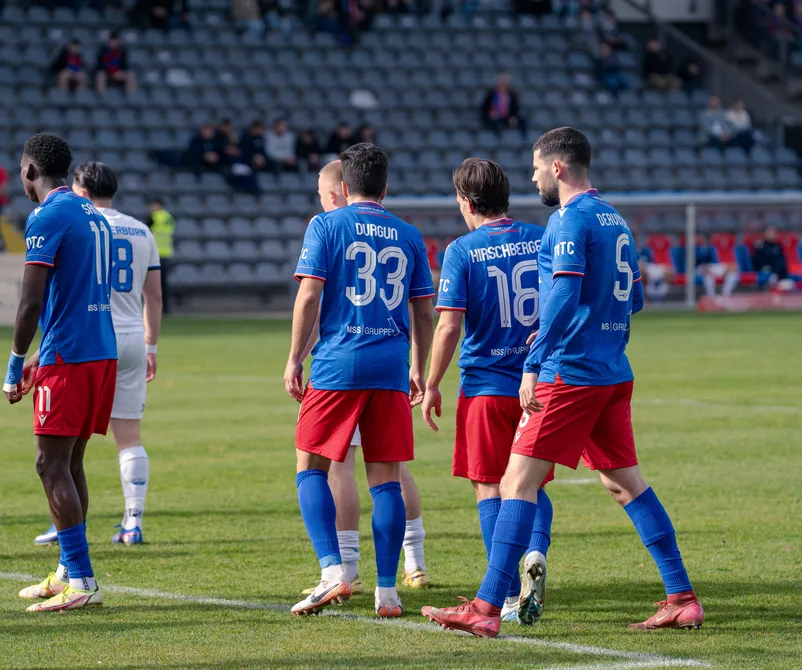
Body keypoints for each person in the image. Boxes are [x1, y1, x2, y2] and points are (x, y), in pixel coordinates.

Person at [422, 127, 703, 637]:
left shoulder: (567, 220)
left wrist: (534, 362)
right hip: (612, 371)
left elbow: (564, 295)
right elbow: (634, 300)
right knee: (624, 483)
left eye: (535, 168)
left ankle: (486, 610)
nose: (531, 177)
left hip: (569, 374)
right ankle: (681, 596)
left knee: (513, 483)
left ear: (557, 168)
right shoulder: (615, 219)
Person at [284, 143, 436, 618]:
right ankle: (387, 592)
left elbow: (309, 296)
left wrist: (293, 358)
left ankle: (334, 571)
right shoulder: (409, 234)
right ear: (385, 187)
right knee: (385, 479)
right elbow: (425, 312)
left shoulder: (326, 225)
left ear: (343, 187)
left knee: (310, 466)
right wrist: (420, 366)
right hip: (390, 365)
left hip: (338, 363)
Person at [421, 158, 553, 625]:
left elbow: (449, 325)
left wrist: (432, 383)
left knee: (488, 486)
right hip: (539, 383)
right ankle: (535, 552)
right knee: (529, 482)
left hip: (485, 386)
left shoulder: (462, 250)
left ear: (466, 201)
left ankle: (503, 587)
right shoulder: (542, 238)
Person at [4, 133, 118, 613]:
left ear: (30, 169)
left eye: (21, 170)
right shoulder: (94, 214)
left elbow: (31, 301)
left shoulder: (46, 216)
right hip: (99, 351)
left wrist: (14, 362)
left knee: (49, 464)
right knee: (70, 463)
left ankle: (82, 578)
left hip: (70, 359)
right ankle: (70, 571)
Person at [73, 163, 162, 545]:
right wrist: (151, 344)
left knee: (67, 439)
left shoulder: (83, 226)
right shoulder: (141, 229)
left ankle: (67, 524)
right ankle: (133, 521)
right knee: (129, 436)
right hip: (132, 338)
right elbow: (154, 295)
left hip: (92, 339)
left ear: (81, 190)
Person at [148, 197, 175, 315]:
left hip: (155, 254)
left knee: (153, 283)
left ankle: (153, 308)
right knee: (164, 283)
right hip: (166, 253)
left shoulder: (153, 217)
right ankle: (166, 308)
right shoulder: (169, 217)